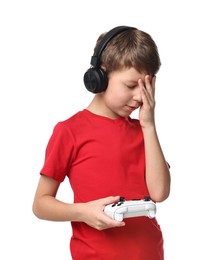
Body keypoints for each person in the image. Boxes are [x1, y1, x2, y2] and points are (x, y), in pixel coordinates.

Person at [32, 25, 171, 260]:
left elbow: (159, 192)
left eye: (145, 87)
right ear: (100, 76)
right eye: (130, 85)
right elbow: (41, 204)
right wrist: (82, 212)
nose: (139, 97)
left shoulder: (144, 132)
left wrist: (148, 125)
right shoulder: (70, 131)